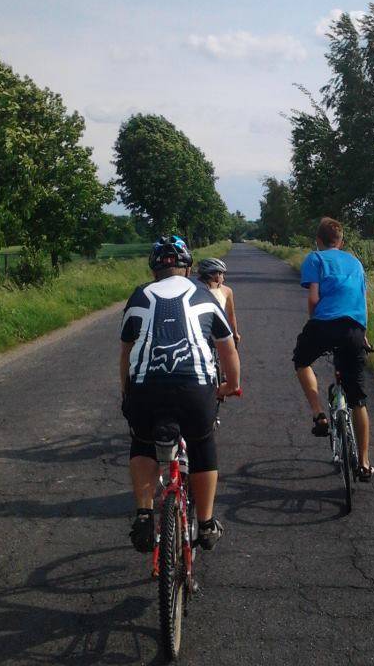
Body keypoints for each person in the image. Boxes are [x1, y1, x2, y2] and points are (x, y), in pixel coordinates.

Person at [120, 236, 240, 553]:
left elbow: (126, 352)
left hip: (146, 389)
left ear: (154, 270)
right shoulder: (204, 294)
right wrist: (230, 385)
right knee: (201, 443)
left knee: (142, 443)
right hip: (195, 388)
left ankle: (144, 514)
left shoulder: (139, 295)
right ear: (188, 268)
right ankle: (206, 523)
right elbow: (228, 350)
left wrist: (126, 393)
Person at [292, 217, 374, 481]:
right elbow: (362, 301)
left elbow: (314, 298)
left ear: (318, 240)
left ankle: (319, 414)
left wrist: (314, 324)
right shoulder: (356, 263)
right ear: (341, 241)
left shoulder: (315, 259)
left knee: (302, 361)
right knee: (358, 400)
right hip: (354, 329)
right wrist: (363, 335)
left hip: (324, 325)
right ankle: (364, 463)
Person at [197, 257, 241, 345]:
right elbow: (231, 315)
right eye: (222, 274)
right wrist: (235, 334)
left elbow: (231, 315)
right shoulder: (226, 291)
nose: (223, 278)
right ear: (216, 275)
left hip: (204, 332)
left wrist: (235, 333)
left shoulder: (226, 291)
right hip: (213, 333)